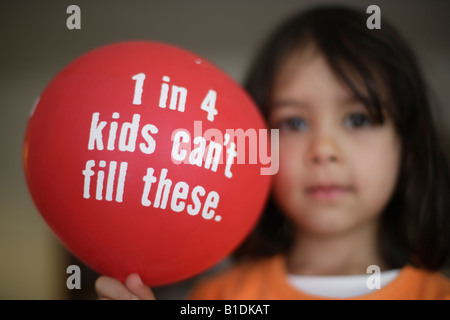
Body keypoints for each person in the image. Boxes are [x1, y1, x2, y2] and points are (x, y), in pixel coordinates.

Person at [95, 5, 450, 300]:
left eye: (358, 119)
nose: (323, 151)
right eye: (293, 123)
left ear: (407, 144)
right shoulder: (217, 298)